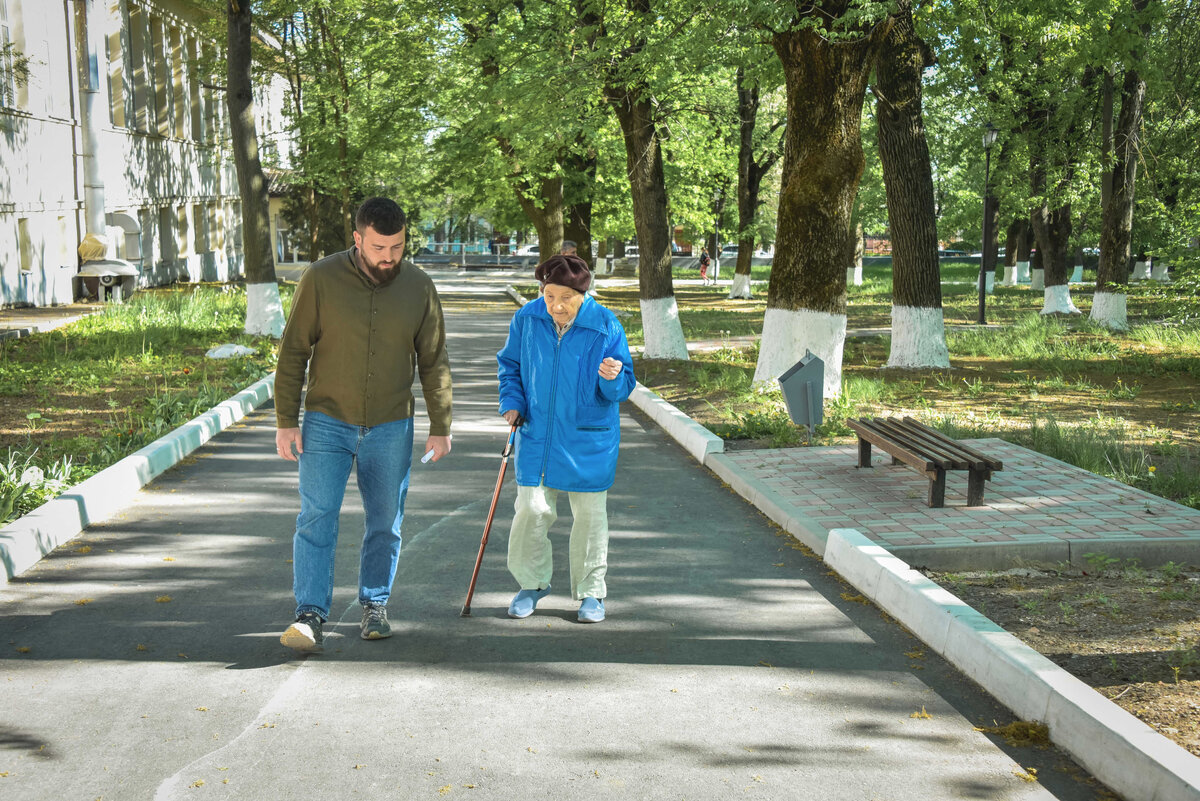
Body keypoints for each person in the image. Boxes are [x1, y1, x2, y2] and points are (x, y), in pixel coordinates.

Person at [274, 197, 453, 652]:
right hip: (326, 421)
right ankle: (310, 614)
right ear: (357, 239)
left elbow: (433, 361)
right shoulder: (320, 279)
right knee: (317, 517)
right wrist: (285, 421)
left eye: (396, 247)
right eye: (378, 247)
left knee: (385, 522)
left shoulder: (419, 286)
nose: (389, 257)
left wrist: (441, 424)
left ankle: (375, 605)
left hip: (392, 425)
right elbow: (294, 351)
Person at [496, 254, 634, 624]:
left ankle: (591, 593)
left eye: (566, 298)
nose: (556, 305)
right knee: (531, 512)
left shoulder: (605, 325)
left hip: (588, 438)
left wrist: (612, 376)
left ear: (583, 294)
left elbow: (623, 387)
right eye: (548, 295)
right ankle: (532, 584)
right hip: (537, 433)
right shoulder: (527, 318)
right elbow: (510, 367)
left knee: (589, 518)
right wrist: (512, 401)